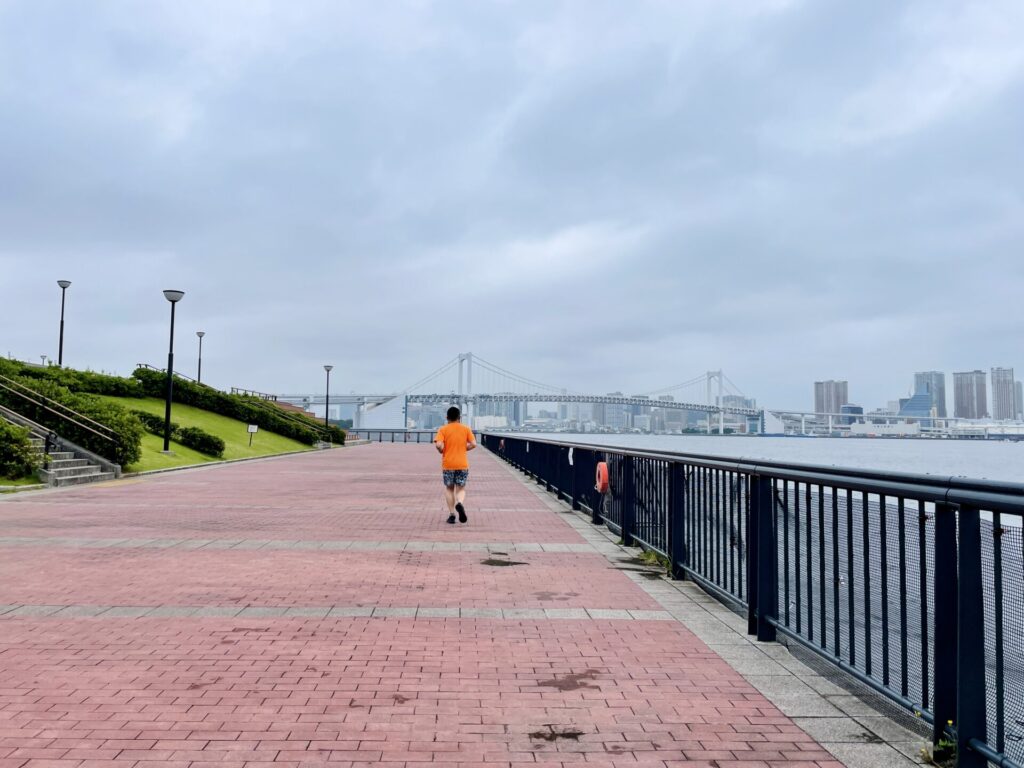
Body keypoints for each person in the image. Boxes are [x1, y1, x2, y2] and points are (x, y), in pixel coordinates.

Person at [434, 405, 476, 524]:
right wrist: (464, 448)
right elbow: (474, 444)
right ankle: (460, 503)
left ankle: (452, 515)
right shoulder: (466, 429)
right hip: (462, 464)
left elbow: (438, 445)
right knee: (461, 488)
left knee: (449, 488)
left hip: (448, 464)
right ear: (459, 417)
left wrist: (441, 450)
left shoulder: (443, 429)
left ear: (447, 417)